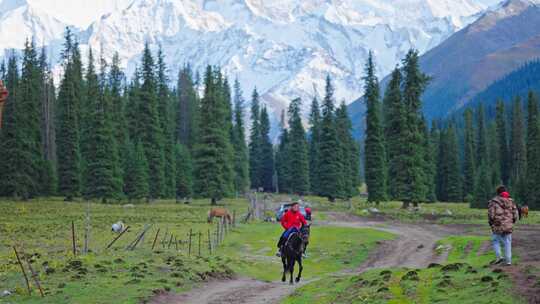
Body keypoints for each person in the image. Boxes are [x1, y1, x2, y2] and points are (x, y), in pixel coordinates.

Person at [488, 185, 519, 266]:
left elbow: (491, 215)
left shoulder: (493, 202)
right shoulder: (511, 201)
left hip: (497, 225)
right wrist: (512, 222)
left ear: (498, 193)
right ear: (505, 191)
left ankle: (499, 257)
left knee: (495, 240)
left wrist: (491, 223)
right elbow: (515, 214)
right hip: (508, 225)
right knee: (508, 242)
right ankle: (508, 261)